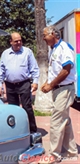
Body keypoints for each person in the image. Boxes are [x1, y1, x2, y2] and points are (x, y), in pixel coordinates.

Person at [40, 25, 78, 163]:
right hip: (58, 89)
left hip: (65, 89)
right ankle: (70, 151)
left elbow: (66, 70)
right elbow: (55, 71)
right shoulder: (53, 50)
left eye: (45, 35)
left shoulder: (64, 48)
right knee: (64, 120)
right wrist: (47, 82)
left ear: (53, 34)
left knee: (56, 120)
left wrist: (51, 85)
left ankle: (54, 155)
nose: (43, 38)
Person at [0, 32, 39, 133]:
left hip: (24, 83)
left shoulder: (27, 52)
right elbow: (1, 70)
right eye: (16, 41)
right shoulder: (5, 54)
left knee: (27, 107)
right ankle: (17, 131)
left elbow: (34, 68)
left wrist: (35, 81)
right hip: (10, 85)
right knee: (13, 109)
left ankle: (32, 131)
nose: (19, 42)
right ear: (11, 42)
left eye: (20, 40)